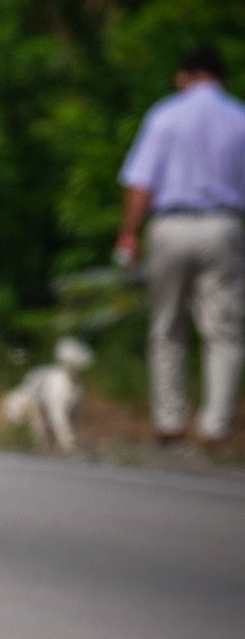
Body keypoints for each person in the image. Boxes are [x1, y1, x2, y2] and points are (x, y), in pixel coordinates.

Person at [116, 46, 245, 448]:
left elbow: (141, 183)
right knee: (223, 330)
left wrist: (129, 234)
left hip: (170, 226)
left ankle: (170, 420)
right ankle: (215, 425)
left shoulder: (165, 115)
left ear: (186, 76)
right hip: (223, 225)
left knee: (167, 325)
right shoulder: (239, 117)